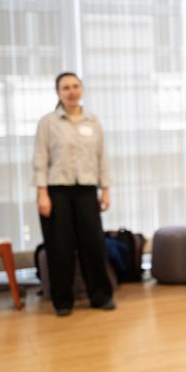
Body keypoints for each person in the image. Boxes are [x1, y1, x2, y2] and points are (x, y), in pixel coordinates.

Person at [33, 72, 115, 316]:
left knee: (94, 245)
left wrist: (106, 189)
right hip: (57, 191)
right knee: (61, 247)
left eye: (75, 86)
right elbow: (40, 159)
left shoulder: (93, 121)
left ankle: (100, 296)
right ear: (58, 93)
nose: (71, 91)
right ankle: (62, 301)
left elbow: (102, 158)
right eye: (65, 87)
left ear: (82, 89)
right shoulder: (48, 123)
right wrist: (42, 194)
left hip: (87, 190)